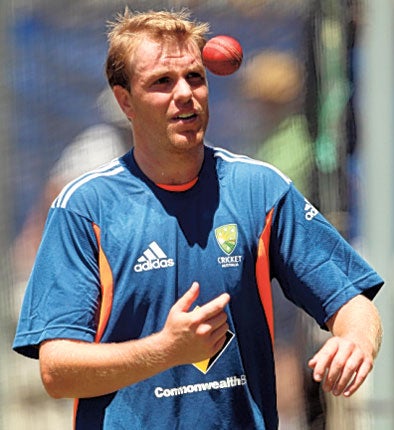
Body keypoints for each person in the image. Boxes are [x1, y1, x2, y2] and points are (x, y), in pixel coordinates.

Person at [13, 8, 383, 430]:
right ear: (124, 100)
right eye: (161, 82)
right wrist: (166, 349)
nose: (185, 94)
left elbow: (351, 301)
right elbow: (57, 371)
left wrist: (357, 341)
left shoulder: (259, 189)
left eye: (195, 77)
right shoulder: (84, 207)